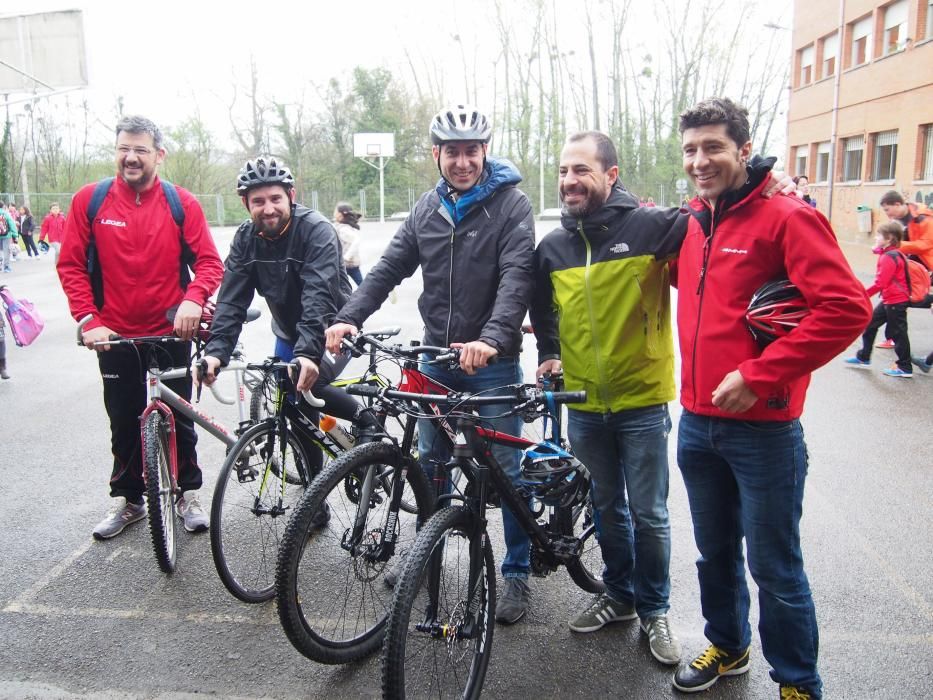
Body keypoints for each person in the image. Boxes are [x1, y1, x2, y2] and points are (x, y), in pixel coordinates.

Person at [671, 97, 871, 699]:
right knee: (713, 556)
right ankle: (729, 648)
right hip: (697, 424)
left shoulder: (787, 217)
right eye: (690, 149)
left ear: (743, 148)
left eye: (713, 147)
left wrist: (760, 373)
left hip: (765, 431)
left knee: (775, 568)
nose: (700, 160)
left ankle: (797, 682)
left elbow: (848, 309)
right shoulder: (694, 221)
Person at [324, 103, 537, 624]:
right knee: (431, 462)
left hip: (490, 361)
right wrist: (348, 316)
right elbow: (387, 270)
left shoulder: (510, 205)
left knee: (505, 469)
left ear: (485, 151)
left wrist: (491, 338)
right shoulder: (427, 209)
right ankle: (430, 555)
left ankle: (515, 573)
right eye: (452, 152)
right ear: (436, 154)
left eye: (471, 151)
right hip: (434, 358)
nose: (462, 162)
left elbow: (516, 277)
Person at [530, 131, 687, 665]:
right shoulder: (553, 245)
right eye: (563, 171)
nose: (569, 181)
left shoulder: (652, 226)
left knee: (650, 513)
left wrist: (771, 185)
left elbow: (717, 219)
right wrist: (549, 351)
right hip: (584, 404)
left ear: (611, 174)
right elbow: (540, 305)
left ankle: (656, 608)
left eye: (581, 170)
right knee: (605, 507)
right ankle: (619, 596)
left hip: (642, 399)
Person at [57, 115, 224, 540]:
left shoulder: (180, 202)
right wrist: (89, 319)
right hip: (113, 335)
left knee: (179, 416)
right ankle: (130, 500)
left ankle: (188, 494)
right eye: (123, 149)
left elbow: (208, 262)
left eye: (140, 150)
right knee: (123, 418)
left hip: (171, 333)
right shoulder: (89, 202)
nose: (130, 158)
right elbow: (71, 265)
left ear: (159, 155)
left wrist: (193, 298)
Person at [200, 157, 364, 483]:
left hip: (333, 328)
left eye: (275, 198)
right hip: (288, 332)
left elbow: (317, 300)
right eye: (258, 201)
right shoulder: (246, 239)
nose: (268, 208)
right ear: (245, 203)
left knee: (305, 383)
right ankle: (314, 490)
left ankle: (366, 421)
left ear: (291, 194)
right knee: (293, 402)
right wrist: (216, 352)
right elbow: (231, 302)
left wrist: (307, 353)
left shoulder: (317, 230)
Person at [843, 221, 913, 377]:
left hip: (895, 300)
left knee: (898, 333)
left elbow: (880, 283)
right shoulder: (893, 253)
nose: (875, 237)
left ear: (889, 239)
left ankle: (905, 367)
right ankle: (864, 357)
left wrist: (862, 296)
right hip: (891, 299)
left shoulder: (889, 256)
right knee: (870, 325)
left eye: (879, 235)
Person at [872, 190, 933, 349]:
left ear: (898, 204)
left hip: (927, 264)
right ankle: (891, 337)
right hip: (912, 263)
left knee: (903, 299)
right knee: (897, 299)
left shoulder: (924, 218)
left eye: (887, 209)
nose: (887, 214)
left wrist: (896, 246)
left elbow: (925, 244)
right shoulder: (897, 220)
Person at [333, 202, 363, 286]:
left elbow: (356, 241)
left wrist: (346, 257)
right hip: (349, 264)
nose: (334, 213)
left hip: (347, 264)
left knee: (338, 286)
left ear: (340, 214)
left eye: (336, 211)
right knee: (361, 285)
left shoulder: (344, 229)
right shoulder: (342, 226)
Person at [0, 204, 18, 273]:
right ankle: (6, 267)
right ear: (3, 206)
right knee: (6, 251)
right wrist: (15, 234)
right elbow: (12, 224)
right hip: (6, 235)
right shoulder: (6, 214)